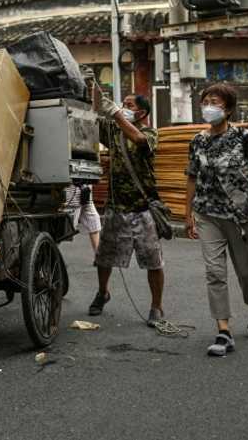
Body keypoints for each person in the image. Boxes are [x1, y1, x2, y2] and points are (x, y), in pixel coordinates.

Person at [184, 83, 248, 358]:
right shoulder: (198, 141)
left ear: (229, 109)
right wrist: (188, 214)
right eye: (206, 101)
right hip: (208, 213)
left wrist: (242, 177)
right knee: (215, 273)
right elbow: (191, 177)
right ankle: (223, 330)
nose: (209, 107)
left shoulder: (245, 138)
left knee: (247, 270)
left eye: (216, 102)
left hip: (240, 215)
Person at [88, 92, 166, 327]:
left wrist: (115, 113)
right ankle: (103, 293)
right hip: (116, 205)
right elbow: (93, 115)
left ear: (141, 113)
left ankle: (157, 306)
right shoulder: (113, 131)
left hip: (142, 207)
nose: (123, 107)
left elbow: (140, 140)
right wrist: (95, 91)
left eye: (129, 105)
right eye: (123, 104)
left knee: (153, 261)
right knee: (104, 257)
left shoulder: (149, 133)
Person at [63, 182, 101, 259]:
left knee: (92, 218)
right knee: (66, 224)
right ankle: (48, 256)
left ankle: (99, 256)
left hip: (83, 184)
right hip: (73, 186)